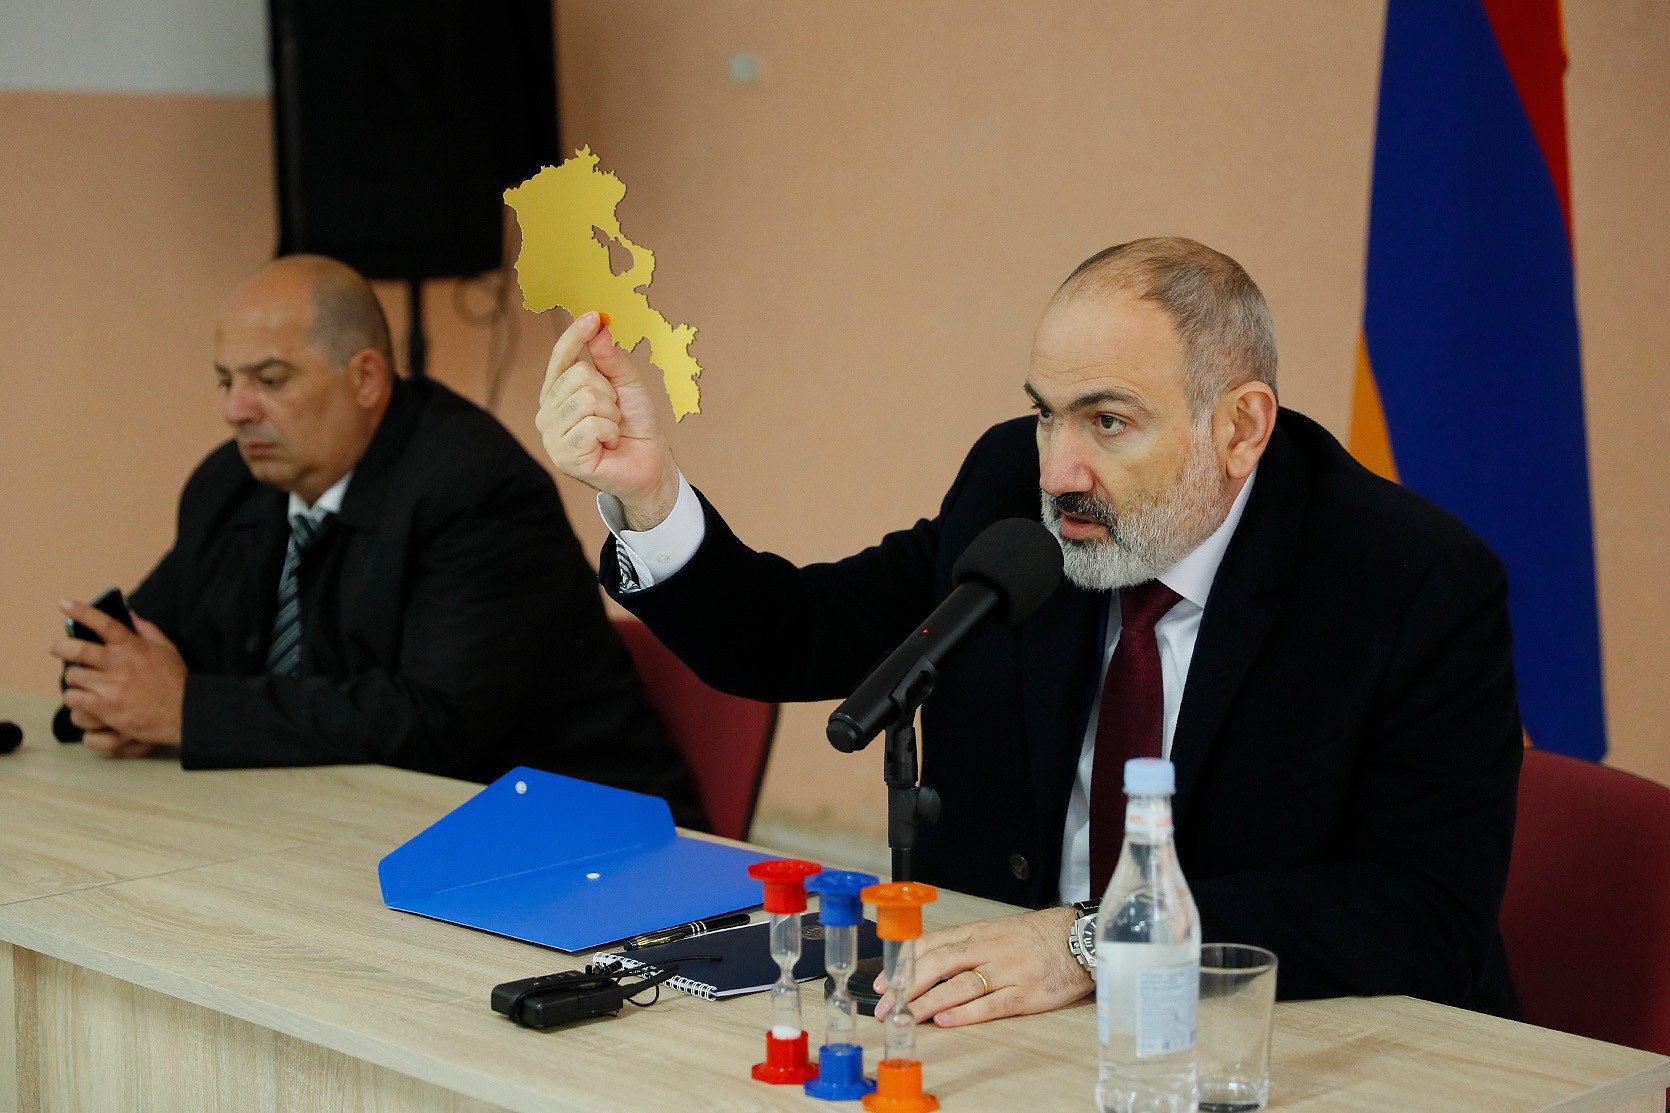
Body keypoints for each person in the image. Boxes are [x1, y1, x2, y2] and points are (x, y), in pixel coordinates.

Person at [535, 237, 1523, 1025]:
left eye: (1107, 422)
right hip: (1008, 1035)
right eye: (1046, 415)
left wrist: (1093, 942)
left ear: (1239, 427)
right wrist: (647, 499)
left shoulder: (1407, 583)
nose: (1056, 471)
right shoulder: (1010, 490)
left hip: (1284, 1046)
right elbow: (796, 635)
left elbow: (1424, 912)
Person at [52, 254, 704, 827]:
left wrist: (187, 709)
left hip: (572, 834)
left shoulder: (474, 486)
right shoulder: (232, 485)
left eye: (270, 380)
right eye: (227, 381)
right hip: (355, 828)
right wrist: (113, 694)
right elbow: (146, 649)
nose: (236, 409)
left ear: (365, 377)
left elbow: (435, 723)